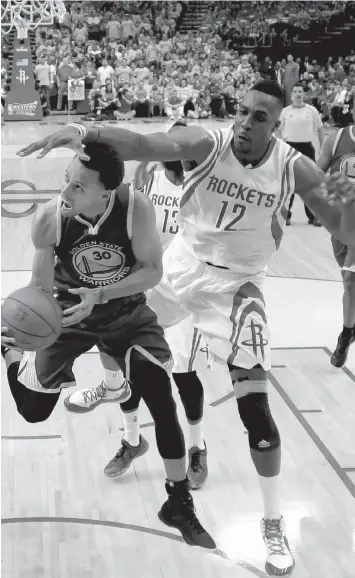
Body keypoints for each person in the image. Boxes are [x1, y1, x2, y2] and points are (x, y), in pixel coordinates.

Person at [16, 80, 355, 576]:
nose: (245, 122)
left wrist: (345, 192)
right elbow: (143, 144)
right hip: (179, 268)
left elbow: (342, 225)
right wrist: (84, 130)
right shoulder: (208, 143)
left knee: (255, 409)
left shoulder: (293, 167)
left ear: (276, 126)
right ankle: (114, 386)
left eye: (259, 117)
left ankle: (273, 521)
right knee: (107, 315)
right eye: (242, 111)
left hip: (237, 288)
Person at [1, 140, 216, 551]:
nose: (65, 193)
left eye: (79, 187)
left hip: (126, 314)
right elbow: (39, 289)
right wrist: (20, 324)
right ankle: (10, 354)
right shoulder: (51, 218)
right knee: (32, 411)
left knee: (159, 392)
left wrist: (99, 295)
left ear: (106, 192)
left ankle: (178, 501)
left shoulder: (135, 208)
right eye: (67, 180)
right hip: (66, 315)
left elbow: (153, 272)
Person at [65, 122, 209, 490]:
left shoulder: (207, 184)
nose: (171, 152)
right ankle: (131, 441)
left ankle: (197, 448)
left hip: (185, 290)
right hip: (142, 285)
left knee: (185, 376)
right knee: (129, 373)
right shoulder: (148, 174)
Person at [317, 109, 355, 368]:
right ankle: (349, 329)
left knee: (351, 281)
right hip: (340, 223)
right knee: (347, 283)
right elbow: (317, 174)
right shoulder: (338, 137)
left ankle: (344, 335)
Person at [277, 83, 324, 226]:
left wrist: (321, 147)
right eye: (295, 91)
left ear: (304, 94)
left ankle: (313, 216)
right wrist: (282, 142)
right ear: (291, 95)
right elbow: (277, 129)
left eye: (300, 92)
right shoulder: (285, 111)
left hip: (307, 149)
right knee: (289, 183)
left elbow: (320, 129)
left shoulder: (312, 110)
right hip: (290, 148)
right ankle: (286, 215)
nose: (298, 94)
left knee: (310, 184)